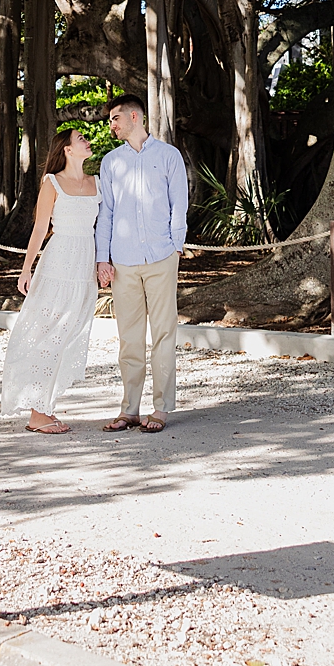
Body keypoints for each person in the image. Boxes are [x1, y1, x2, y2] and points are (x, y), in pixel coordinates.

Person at [95, 93, 190, 434]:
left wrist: (176, 246)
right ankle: (129, 410)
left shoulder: (168, 156)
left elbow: (179, 204)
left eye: (115, 118)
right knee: (129, 339)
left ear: (135, 117)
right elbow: (105, 213)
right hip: (123, 262)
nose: (111, 125)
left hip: (161, 257)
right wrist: (102, 258)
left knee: (164, 333)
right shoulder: (110, 163)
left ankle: (161, 409)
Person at [1, 128, 100, 433]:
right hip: (58, 263)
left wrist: (103, 263)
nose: (87, 140)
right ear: (68, 150)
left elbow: (104, 225)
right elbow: (40, 228)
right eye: (81, 137)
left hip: (84, 264)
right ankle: (37, 413)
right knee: (47, 333)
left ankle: (45, 406)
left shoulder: (97, 182)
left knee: (68, 334)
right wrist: (26, 268)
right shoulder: (52, 182)